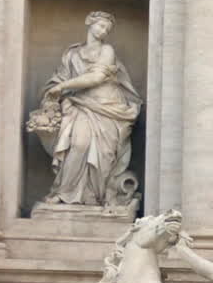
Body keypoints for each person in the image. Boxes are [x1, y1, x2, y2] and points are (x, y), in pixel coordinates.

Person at [36, 11, 142, 207]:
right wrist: (54, 92)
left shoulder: (107, 50)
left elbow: (96, 77)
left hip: (108, 108)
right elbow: (59, 78)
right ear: (89, 23)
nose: (103, 31)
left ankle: (95, 196)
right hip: (80, 105)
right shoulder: (72, 54)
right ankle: (65, 193)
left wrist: (62, 87)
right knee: (79, 144)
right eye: (100, 26)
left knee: (104, 154)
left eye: (107, 29)